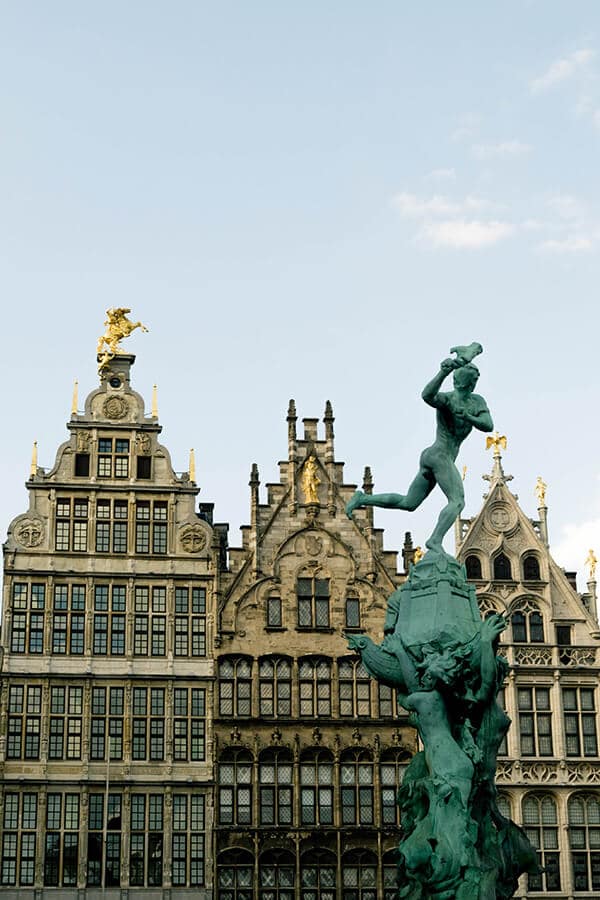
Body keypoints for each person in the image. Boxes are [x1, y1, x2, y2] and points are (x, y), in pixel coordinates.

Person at [346, 355, 493, 552]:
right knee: (457, 501)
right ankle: (435, 540)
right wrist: (442, 372)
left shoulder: (476, 402)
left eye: (475, 379)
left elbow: (488, 425)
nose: (474, 382)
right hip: (439, 455)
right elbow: (427, 395)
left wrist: (467, 416)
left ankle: (362, 498)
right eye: (472, 379)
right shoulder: (448, 400)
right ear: (464, 381)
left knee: (409, 502)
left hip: (434, 456)